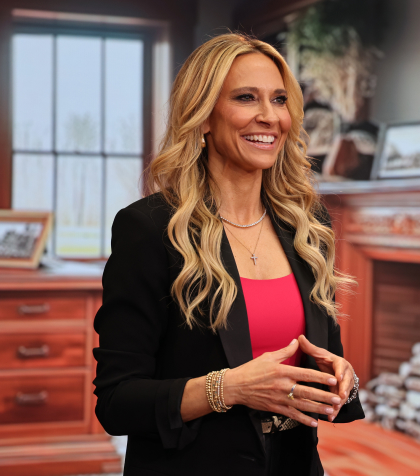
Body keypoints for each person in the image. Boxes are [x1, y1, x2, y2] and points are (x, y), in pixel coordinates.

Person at [92, 33, 364, 476]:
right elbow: (117, 402)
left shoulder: (307, 226)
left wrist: (339, 379)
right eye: (246, 98)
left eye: (279, 100)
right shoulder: (149, 228)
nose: (269, 116)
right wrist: (229, 388)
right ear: (203, 117)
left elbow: (324, 360)